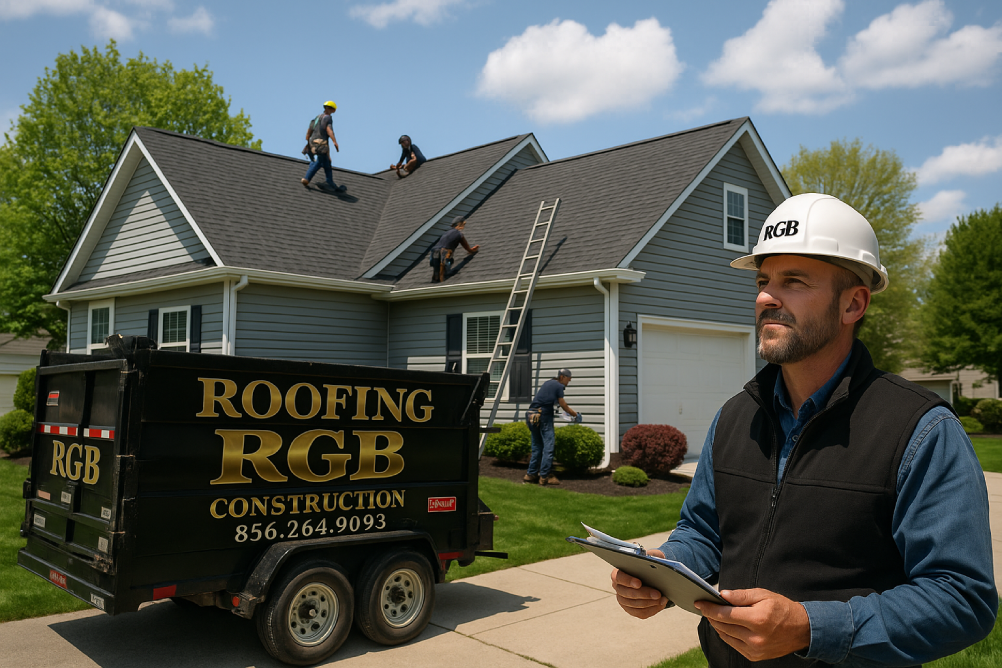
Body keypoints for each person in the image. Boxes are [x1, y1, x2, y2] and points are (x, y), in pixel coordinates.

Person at [612, 193, 997, 666]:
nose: (765, 297)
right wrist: (664, 569)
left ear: (853, 303)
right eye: (763, 280)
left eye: (793, 282)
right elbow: (704, 530)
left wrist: (810, 628)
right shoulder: (735, 417)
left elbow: (961, 599)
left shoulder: (920, 430)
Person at [523, 368, 581, 486]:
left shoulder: (548, 383)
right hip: (543, 416)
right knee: (548, 447)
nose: (567, 383)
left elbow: (547, 401)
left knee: (537, 447)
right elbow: (563, 405)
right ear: (562, 377)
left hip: (531, 415)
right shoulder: (559, 386)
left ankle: (530, 475)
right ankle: (544, 477)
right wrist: (576, 415)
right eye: (568, 380)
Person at [300, 101, 346, 193]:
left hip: (313, 142)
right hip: (321, 143)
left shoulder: (317, 117)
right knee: (319, 162)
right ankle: (307, 178)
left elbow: (310, 129)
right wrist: (335, 141)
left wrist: (308, 139)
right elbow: (329, 130)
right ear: (333, 109)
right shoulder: (328, 118)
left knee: (327, 163)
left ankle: (330, 182)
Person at [430, 216, 479, 283]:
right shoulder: (459, 234)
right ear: (460, 225)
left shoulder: (446, 232)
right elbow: (465, 246)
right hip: (444, 252)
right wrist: (471, 251)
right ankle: (443, 279)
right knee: (446, 269)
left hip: (433, 252)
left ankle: (436, 279)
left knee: (436, 272)